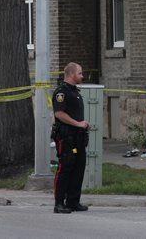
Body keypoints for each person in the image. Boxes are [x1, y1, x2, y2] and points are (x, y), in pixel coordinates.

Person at [52, 62, 90, 214]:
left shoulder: (75, 92)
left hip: (78, 137)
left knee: (78, 168)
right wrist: (78, 124)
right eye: (80, 73)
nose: (82, 76)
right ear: (71, 74)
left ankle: (73, 201)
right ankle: (59, 203)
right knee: (65, 168)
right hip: (66, 136)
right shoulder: (61, 92)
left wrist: (83, 126)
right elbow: (59, 114)